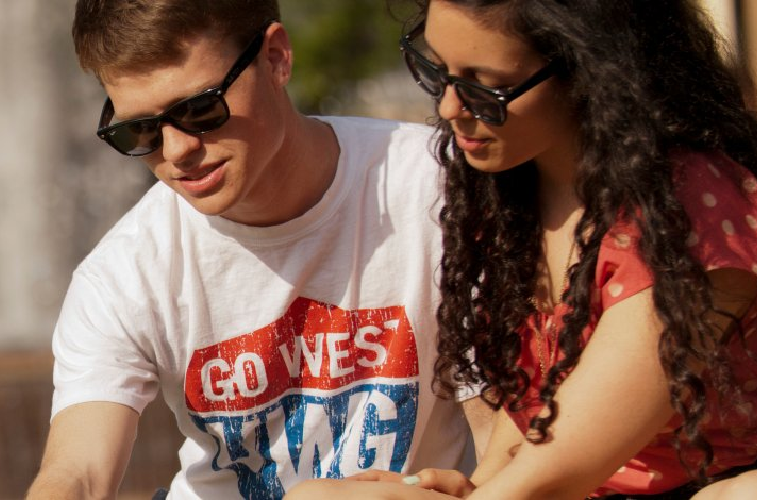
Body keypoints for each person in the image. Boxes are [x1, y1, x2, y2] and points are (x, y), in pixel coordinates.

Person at [286, 0, 757, 498]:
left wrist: (491, 491)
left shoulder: (686, 207)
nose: (449, 107)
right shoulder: (511, 193)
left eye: (484, 86)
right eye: (437, 70)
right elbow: (537, 415)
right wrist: (475, 485)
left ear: (589, 69)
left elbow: (563, 466)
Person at [24, 1, 477, 499]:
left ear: (277, 57)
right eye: (140, 131)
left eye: (199, 109)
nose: (176, 152)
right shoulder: (122, 273)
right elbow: (79, 474)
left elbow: (509, 439)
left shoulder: (438, 188)